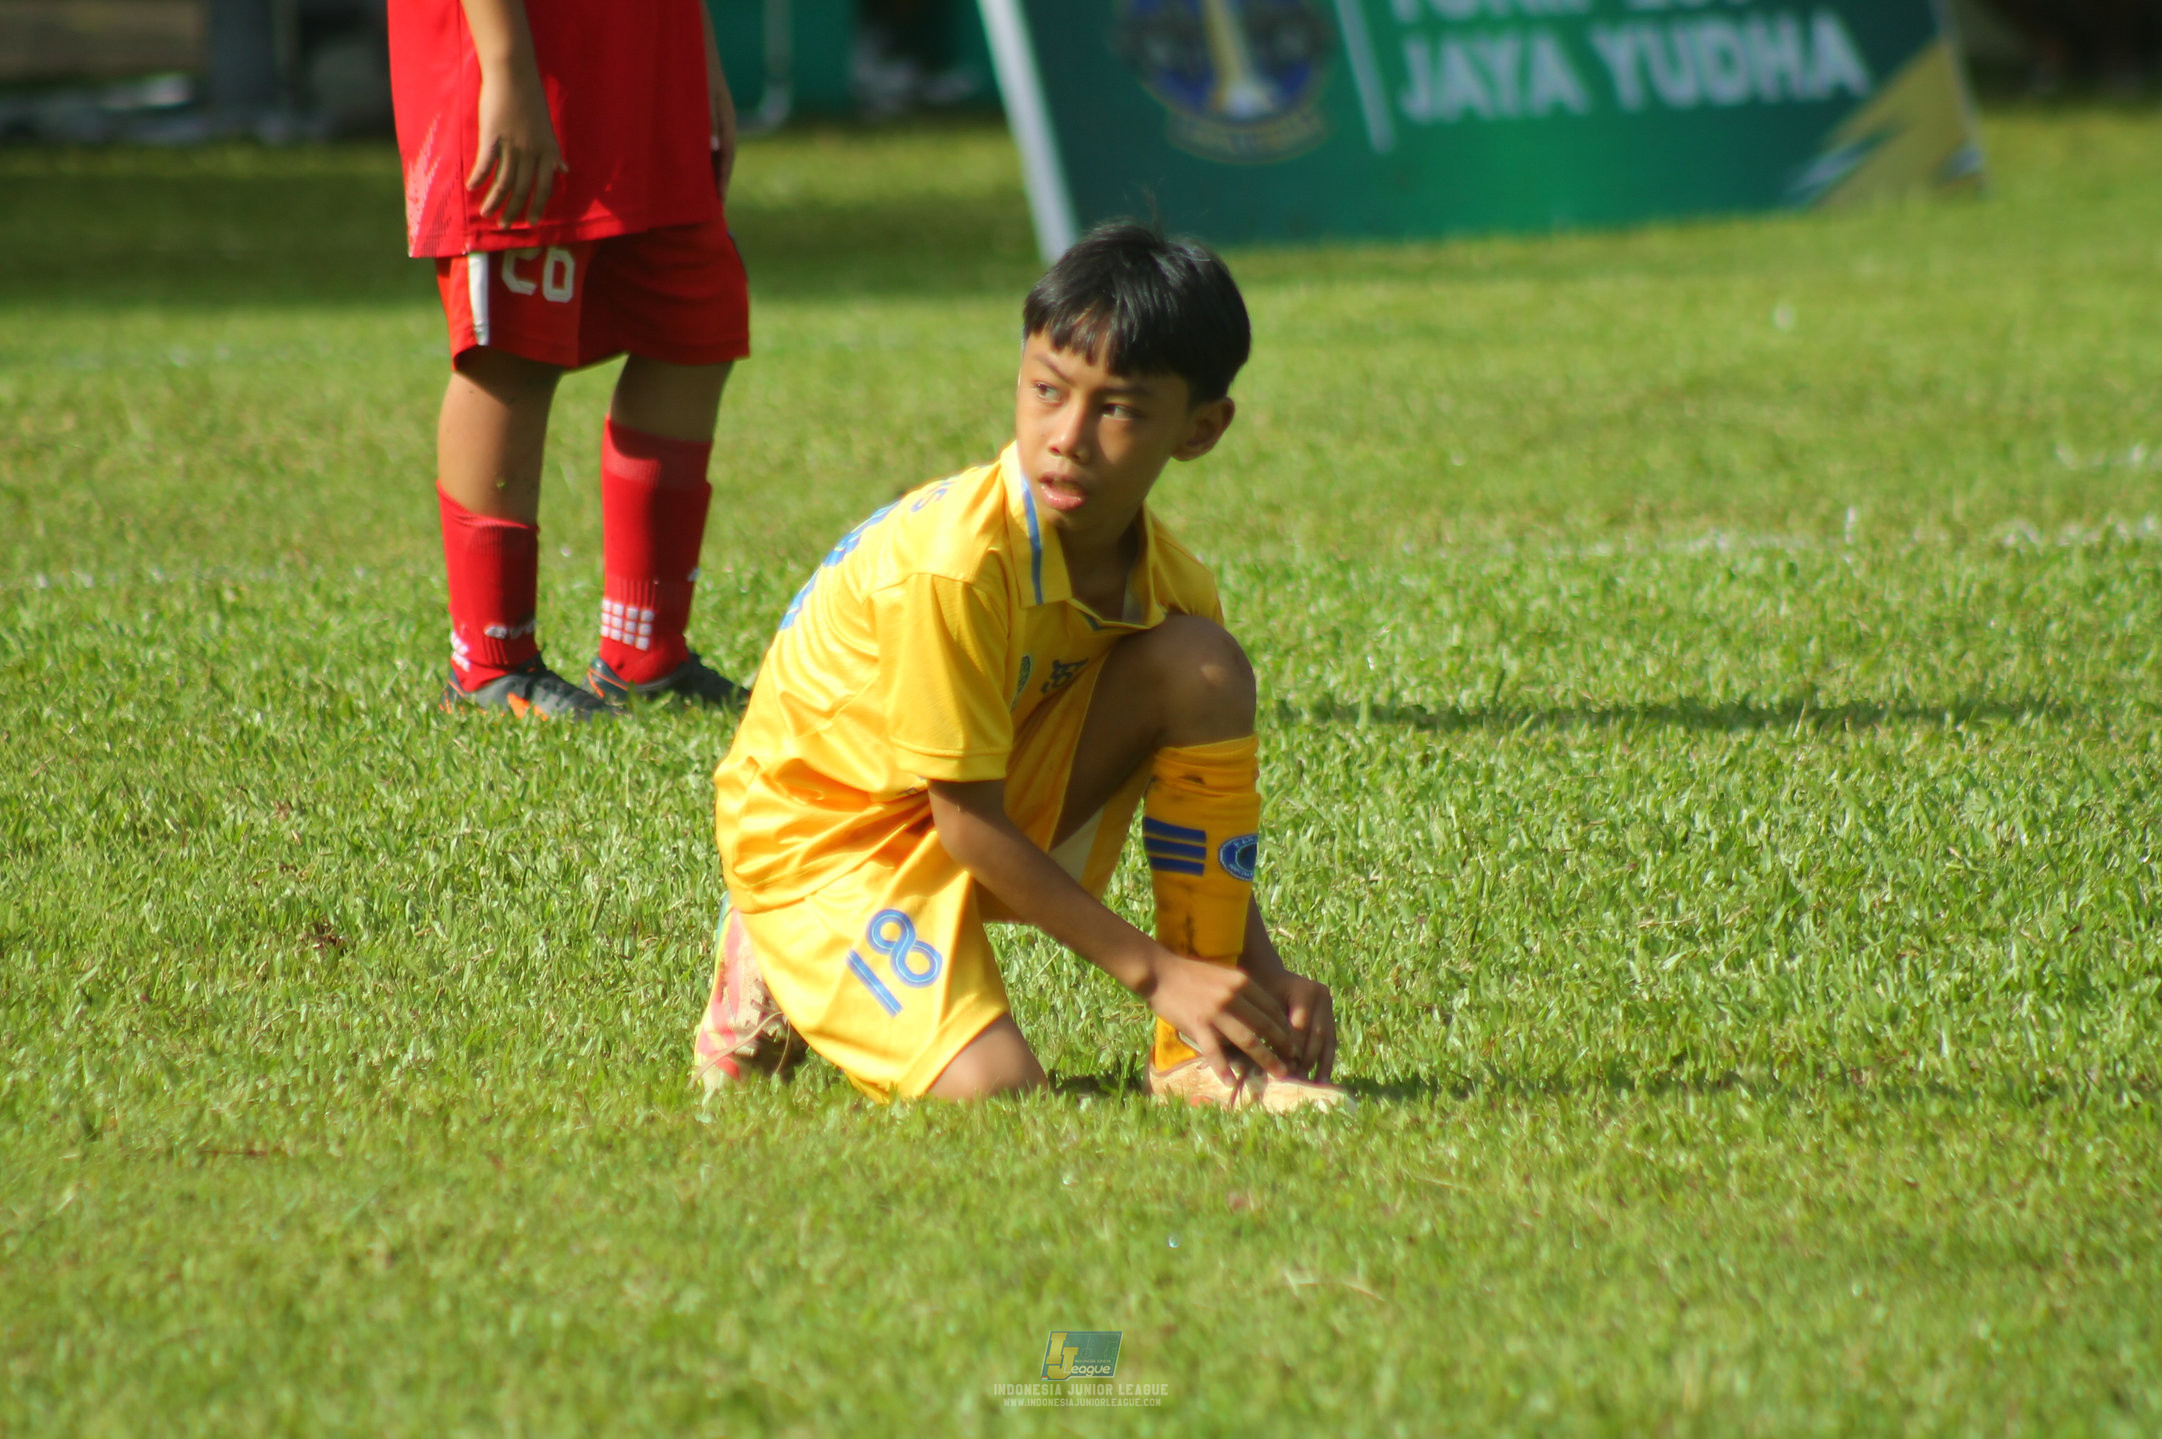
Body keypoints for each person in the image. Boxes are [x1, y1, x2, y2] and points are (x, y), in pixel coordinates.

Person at [691, 223, 1351, 1109]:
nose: (1066, 436)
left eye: (1118, 408)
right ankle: (773, 944)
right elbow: (966, 826)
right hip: (826, 838)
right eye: (1047, 389)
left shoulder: (1173, 582)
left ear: (1201, 429)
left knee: (1202, 667)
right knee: (998, 1096)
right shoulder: (955, 563)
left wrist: (1256, 976)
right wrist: (1158, 972)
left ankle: (1194, 1062)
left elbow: (1197, 799)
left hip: (966, 800)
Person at [389, 0, 751, 719]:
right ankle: (491, 663)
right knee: (511, 353)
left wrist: (697, 58)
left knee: (692, 332)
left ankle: (645, 653)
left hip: (644, 66)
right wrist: (506, 69)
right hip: (522, 65)